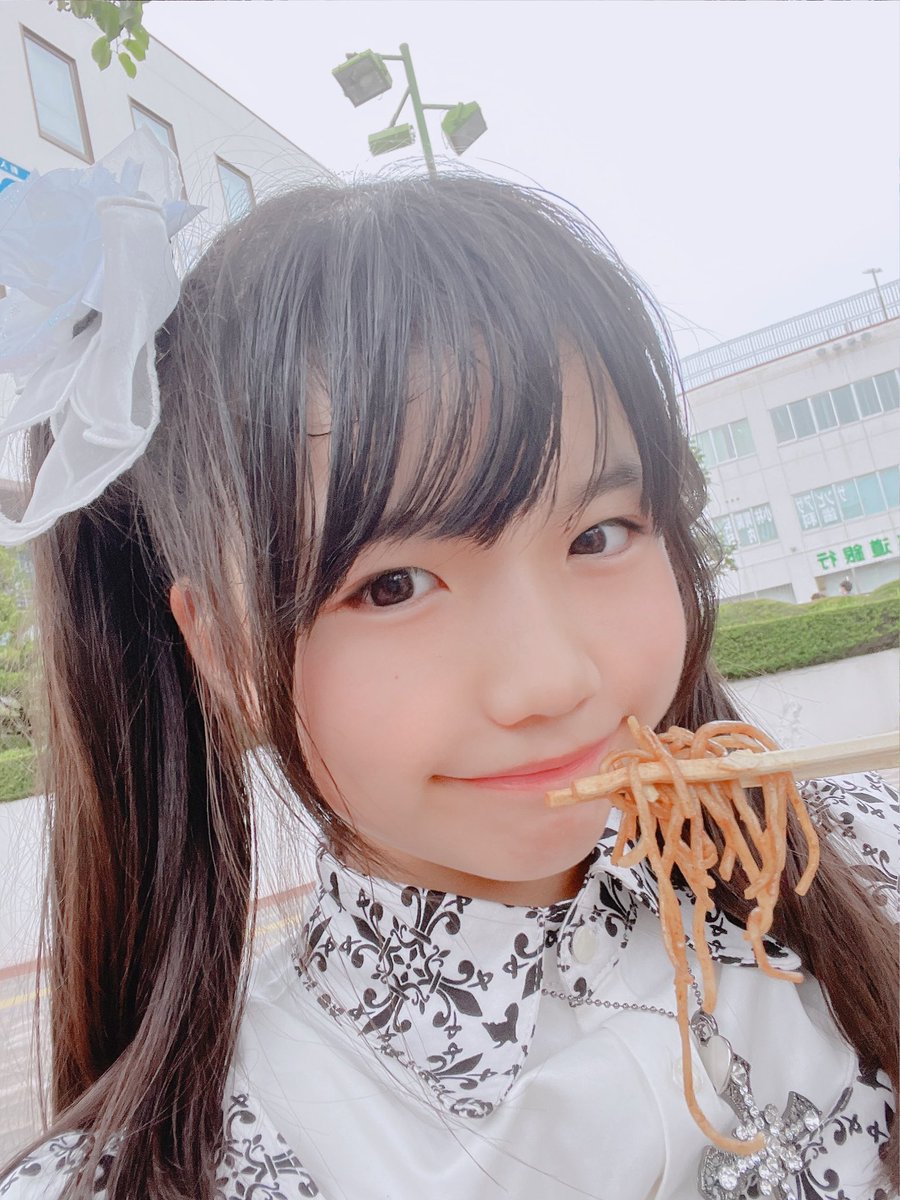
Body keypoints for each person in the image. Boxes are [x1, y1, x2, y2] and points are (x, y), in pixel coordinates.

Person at [0, 133, 896, 1200]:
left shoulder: (863, 849)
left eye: (600, 533)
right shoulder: (185, 1168)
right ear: (224, 646)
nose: (552, 682)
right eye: (392, 586)